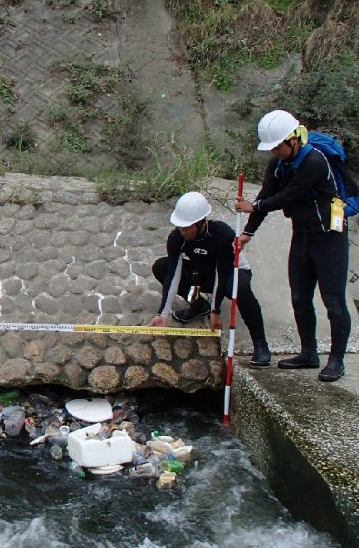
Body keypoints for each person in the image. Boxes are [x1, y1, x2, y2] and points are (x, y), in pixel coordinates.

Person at [235, 109, 350, 382]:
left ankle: (337, 360)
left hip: (329, 238)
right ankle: (309, 353)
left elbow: (288, 196)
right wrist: (248, 231)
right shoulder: (278, 164)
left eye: (277, 147)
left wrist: (257, 205)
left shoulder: (314, 160)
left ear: (293, 139)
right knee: (299, 297)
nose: (274, 152)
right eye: (271, 148)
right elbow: (267, 194)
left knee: (333, 301)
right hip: (303, 236)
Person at [149, 191, 271, 367]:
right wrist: (163, 313)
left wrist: (216, 312)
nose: (182, 230)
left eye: (186, 227)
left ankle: (260, 344)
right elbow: (173, 274)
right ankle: (198, 304)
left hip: (231, 271)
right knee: (161, 266)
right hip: (203, 271)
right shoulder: (177, 237)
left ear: (201, 222)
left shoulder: (222, 234)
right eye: (179, 226)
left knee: (239, 289)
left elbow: (221, 273)